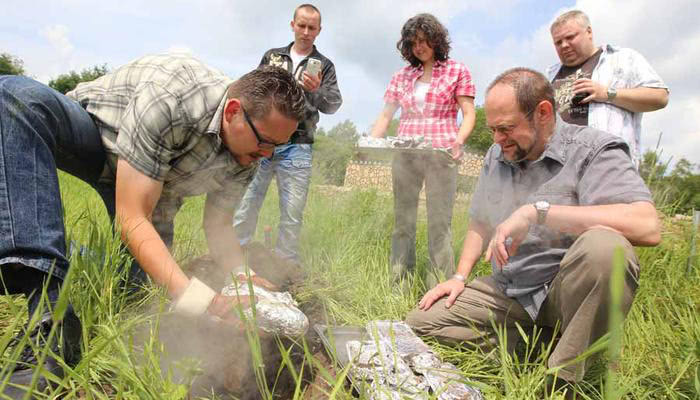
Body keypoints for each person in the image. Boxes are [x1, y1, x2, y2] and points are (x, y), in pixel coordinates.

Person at [0, 53, 305, 396]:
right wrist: (199, 297)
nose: (268, 155)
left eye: (278, 147)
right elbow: (132, 217)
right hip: (98, 141)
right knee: (15, 97)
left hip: (151, 188)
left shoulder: (248, 150)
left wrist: (240, 275)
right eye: (265, 142)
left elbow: (218, 224)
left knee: (137, 297)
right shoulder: (173, 98)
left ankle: (74, 258)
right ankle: (50, 321)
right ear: (233, 112)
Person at [406, 68, 660, 391]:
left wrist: (539, 213)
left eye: (507, 128)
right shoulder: (497, 154)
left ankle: (561, 380)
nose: (498, 139)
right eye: (493, 129)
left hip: (563, 295)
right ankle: (539, 349)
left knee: (607, 250)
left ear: (543, 113)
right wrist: (458, 277)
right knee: (420, 324)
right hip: (509, 290)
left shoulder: (593, 149)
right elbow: (480, 220)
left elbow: (647, 225)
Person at [370, 13, 476, 287]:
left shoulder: (457, 70)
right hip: (406, 155)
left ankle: (439, 287)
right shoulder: (402, 76)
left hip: (441, 154)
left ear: (436, 39)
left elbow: (468, 112)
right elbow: (385, 116)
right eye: (413, 42)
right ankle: (399, 283)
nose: (419, 46)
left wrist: (459, 140)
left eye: (424, 40)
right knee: (403, 222)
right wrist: (371, 144)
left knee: (439, 225)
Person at [234, 3, 342, 265]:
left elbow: (333, 104)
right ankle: (233, 256)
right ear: (292, 25)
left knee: (292, 214)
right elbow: (251, 90)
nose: (305, 31)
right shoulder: (272, 57)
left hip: (298, 145)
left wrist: (315, 90)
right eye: (301, 25)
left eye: (311, 27)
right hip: (260, 141)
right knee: (246, 203)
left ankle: (285, 268)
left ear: (319, 31)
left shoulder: (324, 65)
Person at [547, 10, 668, 165]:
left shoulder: (623, 58)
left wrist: (607, 94)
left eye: (570, 37)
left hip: (608, 167)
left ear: (589, 32)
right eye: (558, 42)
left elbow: (660, 97)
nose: (564, 45)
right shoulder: (549, 76)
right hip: (560, 170)